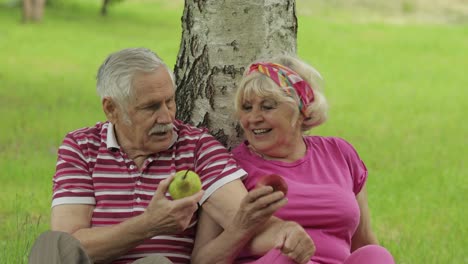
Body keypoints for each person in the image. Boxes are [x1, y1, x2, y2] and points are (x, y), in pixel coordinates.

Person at [28, 48, 315, 264]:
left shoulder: (197, 147)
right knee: (48, 247)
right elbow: (70, 245)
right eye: (151, 107)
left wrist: (285, 233)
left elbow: (244, 220)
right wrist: (149, 225)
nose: (166, 116)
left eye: (170, 101)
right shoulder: (81, 146)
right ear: (112, 109)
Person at [192, 55, 395, 264]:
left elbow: (363, 241)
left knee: (376, 255)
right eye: (246, 107)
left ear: (301, 108)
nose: (253, 118)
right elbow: (202, 260)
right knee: (287, 257)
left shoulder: (339, 153)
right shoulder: (230, 169)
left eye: (267, 106)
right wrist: (241, 227)